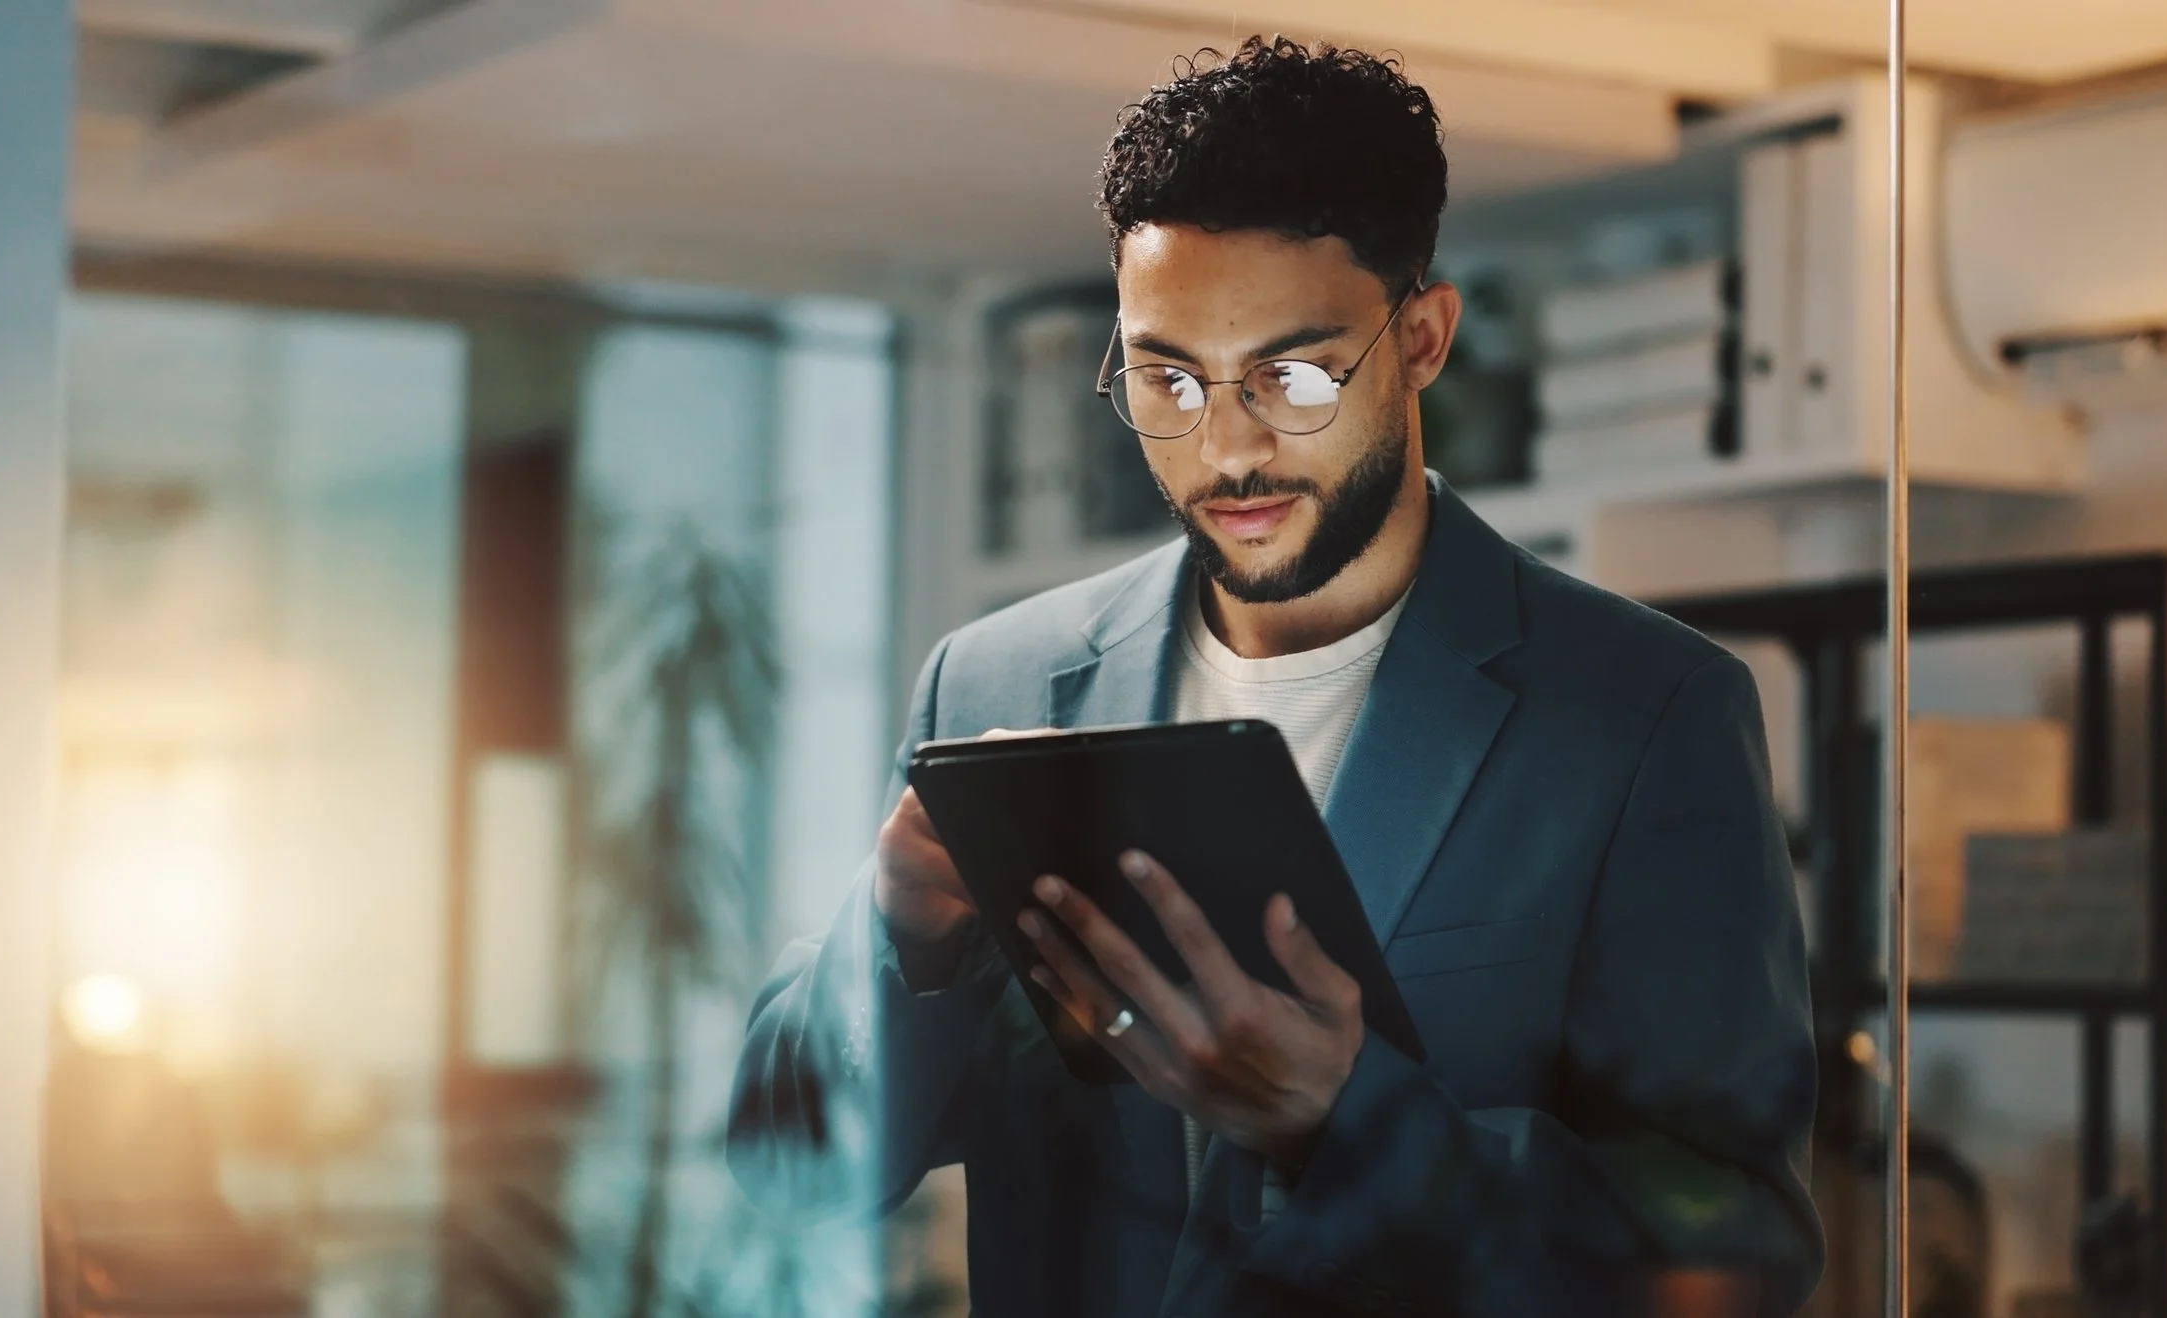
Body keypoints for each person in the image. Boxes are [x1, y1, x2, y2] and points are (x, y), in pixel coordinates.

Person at [729, 36, 1821, 1318]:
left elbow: (1736, 1265)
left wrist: (1344, 1122)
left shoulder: (1640, 715)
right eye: (1165, 377)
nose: (1224, 446)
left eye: (1291, 376)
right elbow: (788, 1173)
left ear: (1421, 338)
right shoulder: (994, 681)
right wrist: (899, 934)